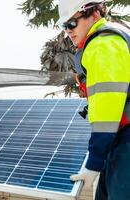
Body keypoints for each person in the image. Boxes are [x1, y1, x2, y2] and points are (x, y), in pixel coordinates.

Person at [57, 0, 130, 199]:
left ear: (95, 15)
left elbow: (108, 106)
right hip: (118, 139)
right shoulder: (112, 38)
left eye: (72, 23)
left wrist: (95, 161)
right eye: (65, 26)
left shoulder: (103, 44)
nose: (68, 31)